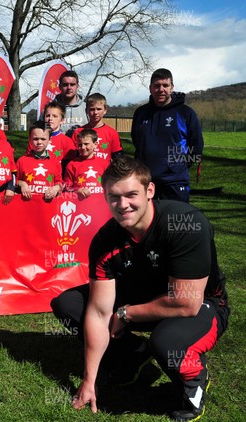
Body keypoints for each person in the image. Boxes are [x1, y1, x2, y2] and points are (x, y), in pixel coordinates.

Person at [51, 155, 229, 421]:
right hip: (144, 296)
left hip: (201, 304)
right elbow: (99, 312)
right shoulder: (105, 240)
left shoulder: (185, 224)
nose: (122, 205)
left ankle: (194, 379)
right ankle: (133, 355)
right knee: (69, 304)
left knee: (167, 342)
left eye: (131, 194)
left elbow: (186, 302)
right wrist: (90, 379)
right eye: (113, 197)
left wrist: (126, 314)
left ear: (150, 191)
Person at [132, 68, 203, 203]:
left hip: (174, 182)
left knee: (175, 222)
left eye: (165, 85)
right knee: (146, 223)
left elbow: (196, 146)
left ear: (172, 87)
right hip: (145, 181)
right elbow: (137, 142)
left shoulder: (185, 113)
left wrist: (177, 166)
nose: (161, 89)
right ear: (150, 88)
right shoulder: (140, 113)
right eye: (157, 85)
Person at [16, 121, 63, 201]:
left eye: (43, 139)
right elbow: (14, 181)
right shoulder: (22, 161)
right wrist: (22, 183)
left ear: (50, 140)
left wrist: (56, 188)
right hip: (26, 205)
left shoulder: (55, 162)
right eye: (35, 139)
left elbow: (60, 182)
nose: (39, 142)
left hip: (47, 206)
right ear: (29, 139)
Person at [71, 93, 123, 163]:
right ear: (86, 111)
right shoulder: (79, 132)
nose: (95, 112)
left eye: (99, 109)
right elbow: (73, 157)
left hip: (105, 172)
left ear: (105, 110)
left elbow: (118, 158)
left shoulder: (112, 133)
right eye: (92, 109)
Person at [64, 128, 109, 199]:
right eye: (80, 144)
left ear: (95, 144)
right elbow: (66, 187)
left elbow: (112, 185)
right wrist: (77, 190)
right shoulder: (72, 164)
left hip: (101, 204)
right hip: (80, 204)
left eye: (86, 144)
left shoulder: (105, 163)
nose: (83, 147)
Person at [42, 70, 88, 137]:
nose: (69, 88)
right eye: (65, 85)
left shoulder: (86, 108)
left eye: (72, 84)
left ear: (77, 86)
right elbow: (43, 131)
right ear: (59, 86)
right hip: (57, 146)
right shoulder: (50, 109)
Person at [35, 101, 76, 169]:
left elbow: (70, 166)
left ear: (62, 120)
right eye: (48, 116)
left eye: (55, 116)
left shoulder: (67, 141)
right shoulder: (36, 138)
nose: (50, 119)